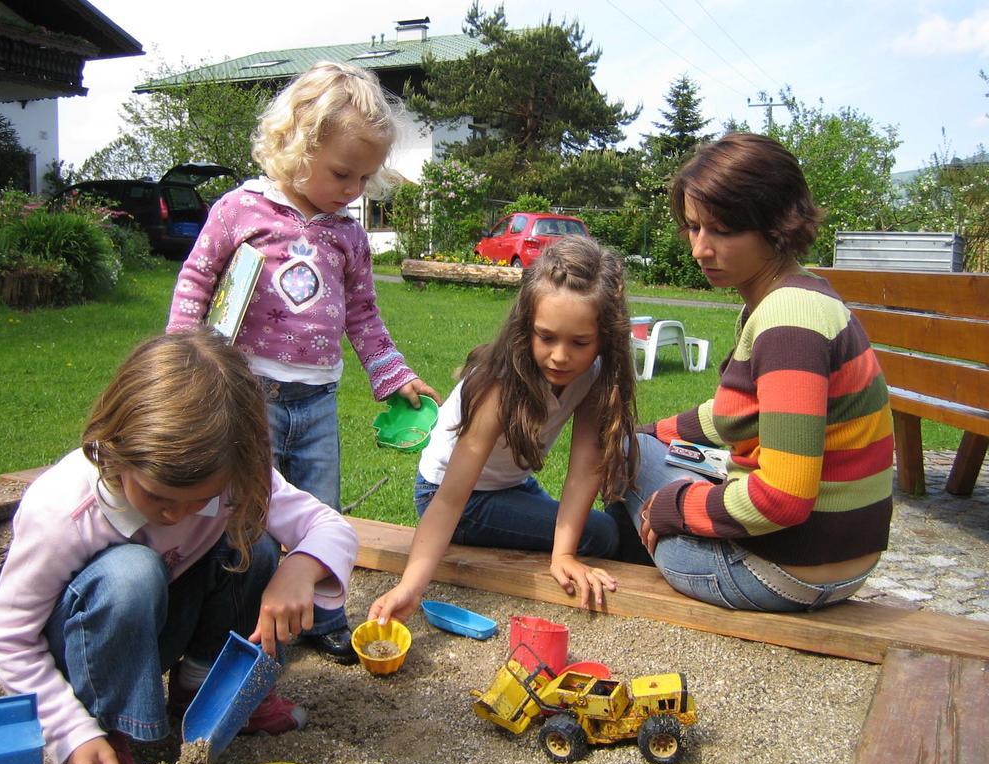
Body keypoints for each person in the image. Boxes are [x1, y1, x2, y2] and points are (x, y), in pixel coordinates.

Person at [0, 330, 359, 764]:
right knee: (131, 574)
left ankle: (206, 688)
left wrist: (302, 565)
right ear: (116, 450)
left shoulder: (235, 475)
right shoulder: (64, 510)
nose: (175, 515)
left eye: (202, 499)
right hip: (81, 654)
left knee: (253, 544)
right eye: (157, 497)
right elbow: (9, 641)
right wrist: (69, 731)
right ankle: (108, 725)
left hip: (154, 627)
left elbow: (329, 526)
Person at [166, 61, 438, 664]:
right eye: (343, 172)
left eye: (364, 178)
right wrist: (184, 360)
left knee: (320, 507)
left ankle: (324, 614)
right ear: (298, 144)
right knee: (248, 510)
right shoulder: (240, 210)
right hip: (246, 395)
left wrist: (392, 374)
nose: (353, 190)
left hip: (316, 401)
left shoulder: (348, 235)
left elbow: (363, 315)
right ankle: (244, 609)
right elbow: (196, 279)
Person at [610, 133, 894, 611]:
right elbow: (738, 412)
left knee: (622, 453)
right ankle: (638, 538)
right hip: (845, 562)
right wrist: (654, 429)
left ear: (777, 223)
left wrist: (671, 508)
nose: (701, 249)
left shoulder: (788, 324)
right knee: (637, 440)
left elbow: (781, 498)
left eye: (722, 230)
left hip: (776, 573)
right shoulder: (800, 296)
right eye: (694, 228)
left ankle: (625, 551)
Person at [368, 236, 640, 625]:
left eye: (579, 342)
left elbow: (585, 468)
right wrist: (410, 586)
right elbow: (450, 499)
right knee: (602, 535)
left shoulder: (595, 376)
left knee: (592, 533)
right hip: (452, 496)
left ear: (604, 339)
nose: (560, 356)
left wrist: (562, 554)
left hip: (510, 485)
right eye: (546, 337)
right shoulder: (499, 385)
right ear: (526, 326)